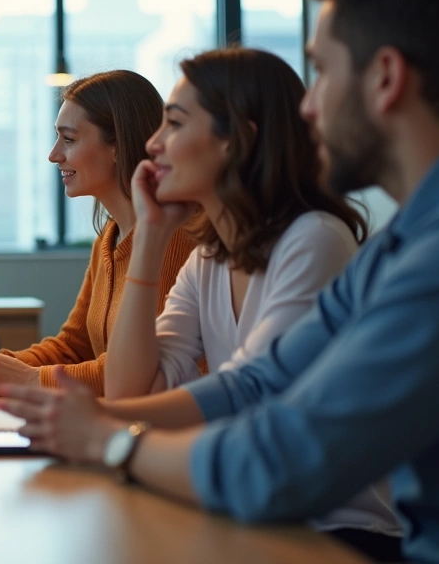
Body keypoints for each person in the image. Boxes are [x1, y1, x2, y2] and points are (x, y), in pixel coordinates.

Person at [0, 0, 439, 563]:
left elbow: (285, 458)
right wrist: (99, 422)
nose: (308, 109)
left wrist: (112, 441)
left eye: (322, 72)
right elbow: (256, 383)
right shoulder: (406, 240)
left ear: (385, 78)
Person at [103, 47, 367, 400]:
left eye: (175, 123)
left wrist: (99, 419)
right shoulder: (208, 259)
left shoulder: (315, 240)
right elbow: (128, 391)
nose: (153, 143)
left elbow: (249, 395)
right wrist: (149, 236)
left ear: (237, 139)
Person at [0, 71, 195, 396]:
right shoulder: (108, 238)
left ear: (118, 146)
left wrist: (31, 378)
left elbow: (148, 371)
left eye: (69, 139)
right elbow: (73, 348)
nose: (54, 155)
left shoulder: (177, 239)